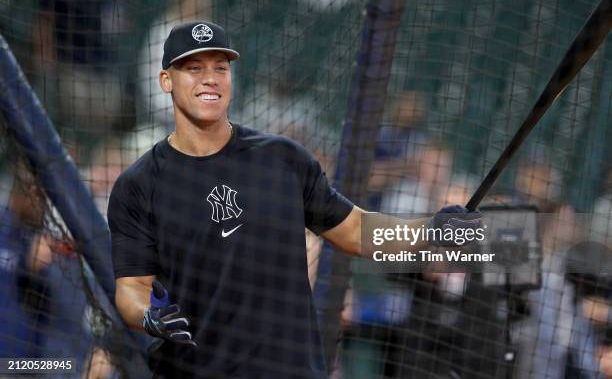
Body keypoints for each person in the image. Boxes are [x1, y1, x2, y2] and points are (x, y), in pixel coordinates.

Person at [108, 20, 477, 378]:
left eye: (220, 68)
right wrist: (149, 317)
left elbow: (355, 228)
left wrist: (429, 232)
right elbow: (131, 289)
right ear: (165, 81)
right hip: (195, 368)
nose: (210, 78)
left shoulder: (283, 158)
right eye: (193, 68)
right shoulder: (139, 184)